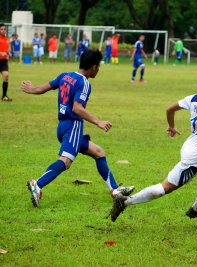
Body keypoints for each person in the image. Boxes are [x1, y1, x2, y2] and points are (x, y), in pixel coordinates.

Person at [108, 60, 197, 222]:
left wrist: (171, 125)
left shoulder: (194, 99)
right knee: (166, 187)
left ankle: (196, 209)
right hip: (195, 157)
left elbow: (169, 109)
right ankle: (125, 202)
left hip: (194, 147)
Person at [21, 50, 135, 208]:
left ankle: (115, 191)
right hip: (73, 126)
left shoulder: (65, 76)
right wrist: (98, 122)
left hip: (62, 127)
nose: (99, 70)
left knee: (99, 153)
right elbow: (77, 108)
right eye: (99, 66)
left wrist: (31, 88)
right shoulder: (84, 83)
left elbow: (43, 88)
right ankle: (38, 185)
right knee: (66, 162)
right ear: (94, 67)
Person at [0, 24, 12, 101]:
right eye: (1, 29)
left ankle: (4, 96)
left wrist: (8, 53)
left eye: (4, 29)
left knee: (6, 76)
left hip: (4, 61)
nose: (3, 30)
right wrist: (0, 53)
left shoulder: (7, 39)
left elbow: (7, 49)